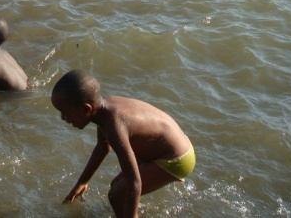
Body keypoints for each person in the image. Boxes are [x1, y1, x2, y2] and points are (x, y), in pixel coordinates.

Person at [51, 70, 196, 217]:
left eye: (65, 113)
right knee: (117, 188)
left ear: (86, 109)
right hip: (168, 146)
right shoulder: (103, 111)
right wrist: (82, 182)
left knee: (118, 195)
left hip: (177, 158)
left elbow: (135, 183)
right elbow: (102, 148)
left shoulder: (114, 124)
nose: (63, 118)